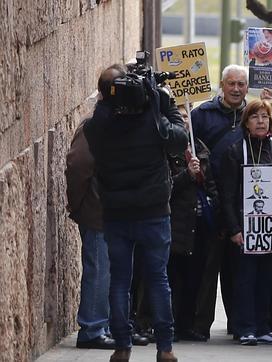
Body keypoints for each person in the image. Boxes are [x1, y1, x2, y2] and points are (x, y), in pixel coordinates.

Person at [83, 64, 188, 362]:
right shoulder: (152, 122)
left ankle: (121, 347)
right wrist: (159, 101)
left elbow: (101, 118)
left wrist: (111, 101)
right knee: (158, 279)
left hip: (116, 214)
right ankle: (165, 348)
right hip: (153, 213)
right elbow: (179, 140)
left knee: (120, 281)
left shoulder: (96, 127)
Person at [219, 99, 272, 346]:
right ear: (246, 123)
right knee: (245, 279)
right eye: (255, 117)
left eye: (265, 116)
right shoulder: (234, 150)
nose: (261, 121)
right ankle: (245, 328)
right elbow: (227, 195)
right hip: (246, 230)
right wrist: (234, 229)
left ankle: (264, 326)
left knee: (267, 279)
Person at [191, 64, 249, 335]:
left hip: (241, 205)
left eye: (241, 84)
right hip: (210, 204)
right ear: (222, 85)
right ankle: (199, 326)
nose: (236, 89)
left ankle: (238, 325)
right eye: (231, 84)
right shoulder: (201, 115)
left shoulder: (254, 115)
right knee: (206, 268)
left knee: (237, 271)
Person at [166, 105, 219, 342]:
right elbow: (164, 187)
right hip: (175, 223)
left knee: (193, 278)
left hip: (198, 225)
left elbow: (211, 184)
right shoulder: (166, 148)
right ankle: (170, 325)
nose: (185, 120)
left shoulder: (200, 147)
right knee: (172, 278)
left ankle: (187, 325)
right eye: (181, 116)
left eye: (187, 116)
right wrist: (187, 174)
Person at [65, 116, 114, 350]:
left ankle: (103, 325)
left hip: (112, 211)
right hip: (97, 211)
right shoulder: (93, 126)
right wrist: (78, 204)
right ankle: (92, 327)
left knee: (108, 270)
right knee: (99, 269)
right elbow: (78, 166)